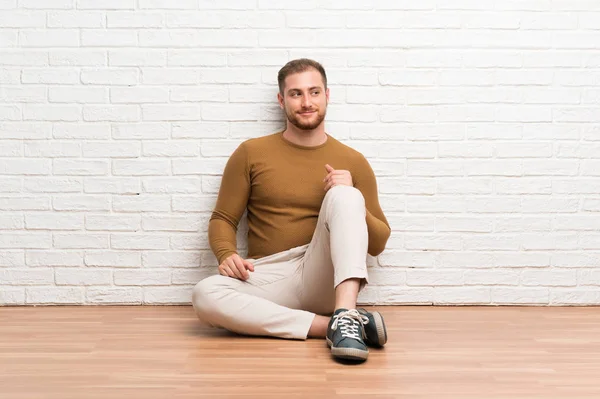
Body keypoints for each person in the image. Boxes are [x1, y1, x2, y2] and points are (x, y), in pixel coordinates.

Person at [192, 58, 391, 362]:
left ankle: (345, 311)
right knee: (205, 295)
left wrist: (352, 195)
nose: (306, 102)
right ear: (281, 100)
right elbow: (223, 218)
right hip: (269, 273)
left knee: (345, 195)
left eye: (314, 92)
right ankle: (339, 324)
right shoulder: (251, 153)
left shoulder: (353, 160)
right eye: (296, 94)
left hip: (323, 272)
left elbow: (377, 244)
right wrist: (226, 254)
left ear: (327, 95)